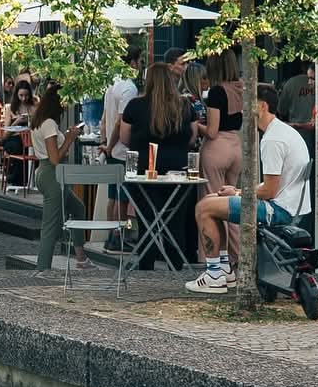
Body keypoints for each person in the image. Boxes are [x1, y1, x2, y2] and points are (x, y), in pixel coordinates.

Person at [187, 84, 310, 294]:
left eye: (247, 104)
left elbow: (270, 191)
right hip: (291, 206)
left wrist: (238, 192)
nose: (243, 110)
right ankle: (223, 270)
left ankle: (215, 274)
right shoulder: (284, 132)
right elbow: (273, 186)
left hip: (278, 211)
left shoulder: (272, 140)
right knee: (214, 203)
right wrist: (236, 191)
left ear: (261, 106)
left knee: (204, 207)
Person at [120, 63, 197, 268]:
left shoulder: (135, 106)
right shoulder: (185, 106)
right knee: (175, 219)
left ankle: (146, 263)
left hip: (145, 167)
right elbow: (193, 137)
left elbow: (124, 138)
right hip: (178, 167)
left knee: (146, 218)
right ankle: (176, 264)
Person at [29, 86, 91, 271]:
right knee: (50, 224)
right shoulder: (49, 124)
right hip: (52, 174)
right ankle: (43, 267)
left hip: (45, 172)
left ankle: (81, 257)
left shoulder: (39, 121)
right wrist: (70, 138)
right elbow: (55, 158)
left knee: (78, 208)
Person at [195, 50, 243, 250]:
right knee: (233, 206)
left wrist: (196, 125)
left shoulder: (216, 92)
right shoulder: (241, 88)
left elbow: (212, 131)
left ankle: (212, 258)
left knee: (211, 205)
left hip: (217, 149)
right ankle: (238, 255)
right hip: (236, 145)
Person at [99, 48, 142, 242]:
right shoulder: (129, 88)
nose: (141, 65)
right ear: (132, 63)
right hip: (124, 150)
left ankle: (111, 234)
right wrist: (110, 146)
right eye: (140, 61)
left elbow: (104, 119)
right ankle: (120, 236)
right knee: (123, 199)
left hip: (112, 148)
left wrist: (105, 141)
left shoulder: (112, 85)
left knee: (112, 196)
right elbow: (120, 121)